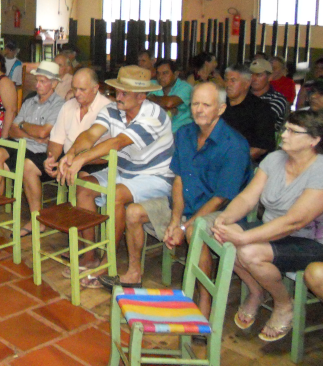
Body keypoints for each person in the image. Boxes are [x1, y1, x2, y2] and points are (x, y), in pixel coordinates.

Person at [98, 83, 250, 317]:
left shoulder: (235, 145)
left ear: (220, 109)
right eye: (195, 104)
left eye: (206, 105)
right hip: (185, 203)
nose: (199, 109)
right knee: (133, 212)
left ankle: (204, 302)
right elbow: (178, 178)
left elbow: (220, 198)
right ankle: (133, 274)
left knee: (194, 232)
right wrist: (176, 218)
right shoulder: (185, 134)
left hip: (221, 211)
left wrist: (183, 226)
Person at [56, 65, 174, 288]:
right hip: (124, 171)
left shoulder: (154, 115)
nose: (118, 96)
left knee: (117, 194)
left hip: (156, 177)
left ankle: (107, 262)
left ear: (141, 96)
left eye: (124, 93)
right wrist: (72, 154)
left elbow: (117, 142)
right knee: (84, 187)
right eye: (117, 90)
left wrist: (83, 159)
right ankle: (90, 254)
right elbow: (91, 134)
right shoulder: (114, 110)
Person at [212, 111, 323, 343]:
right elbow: (247, 198)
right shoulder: (274, 159)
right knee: (221, 236)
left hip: (310, 241)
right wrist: (226, 219)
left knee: (247, 250)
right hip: (271, 231)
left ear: (314, 140)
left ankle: (283, 304)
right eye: (286, 128)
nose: (284, 134)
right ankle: (257, 290)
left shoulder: (320, 170)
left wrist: (246, 237)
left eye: (293, 131)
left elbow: (295, 221)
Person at [0, 61, 64, 235]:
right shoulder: (30, 101)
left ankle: (36, 220)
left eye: (43, 81)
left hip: (41, 152)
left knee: (23, 165)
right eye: (37, 80)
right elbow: (14, 130)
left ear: (54, 83)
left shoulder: (59, 105)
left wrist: (24, 126)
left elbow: (45, 131)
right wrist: (31, 134)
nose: (37, 85)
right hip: (25, 144)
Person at [221, 63, 276, 162]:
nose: (228, 84)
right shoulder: (218, 104)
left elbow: (261, 147)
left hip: (244, 163)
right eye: (226, 80)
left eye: (233, 81)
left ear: (247, 84)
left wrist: (232, 162)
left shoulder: (261, 108)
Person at [148, 59, 193, 133]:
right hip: (158, 132)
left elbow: (169, 103)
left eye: (165, 73)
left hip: (180, 132)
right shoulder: (153, 84)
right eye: (158, 73)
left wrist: (152, 98)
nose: (160, 77)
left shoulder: (185, 87)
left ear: (176, 74)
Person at [250, 57, 289, 133]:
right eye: (251, 74)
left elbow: (262, 121)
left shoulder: (277, 99)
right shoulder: (242, 95)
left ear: (270, 77)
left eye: (258, 75)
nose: (253, 78)